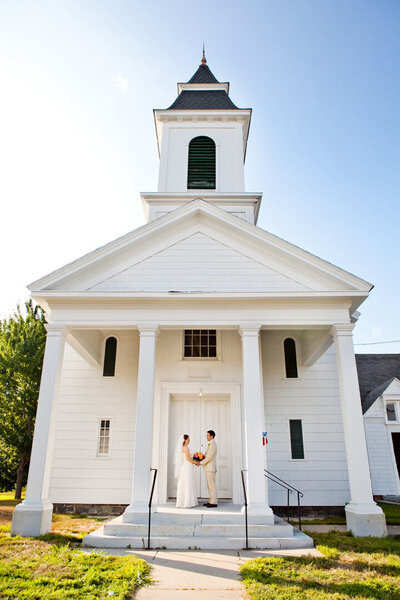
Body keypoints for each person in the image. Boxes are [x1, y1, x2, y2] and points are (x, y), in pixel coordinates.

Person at [174, 434, 199, 508]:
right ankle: (187, 502)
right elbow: (188, 458)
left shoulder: (185, 447)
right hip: (186, 466)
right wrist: (196, 462)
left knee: (186, 482)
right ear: (184, 440)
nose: (189, 440)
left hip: (186, 466)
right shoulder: (185, 448)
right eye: (188, 439)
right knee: (187, 482)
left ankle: (184, 501)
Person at [201, 430, 218, 507]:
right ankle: (211, 500)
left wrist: (201, 462)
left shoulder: (213, 444)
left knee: (211, 485)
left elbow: (209, 457)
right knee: (209, 485)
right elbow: (207, 455)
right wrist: (201, 456)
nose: (206, 436)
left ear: (211, 436)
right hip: (208, 468)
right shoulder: (210, 444)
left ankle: (213, 502)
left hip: (210, 468)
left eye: (207, 435)